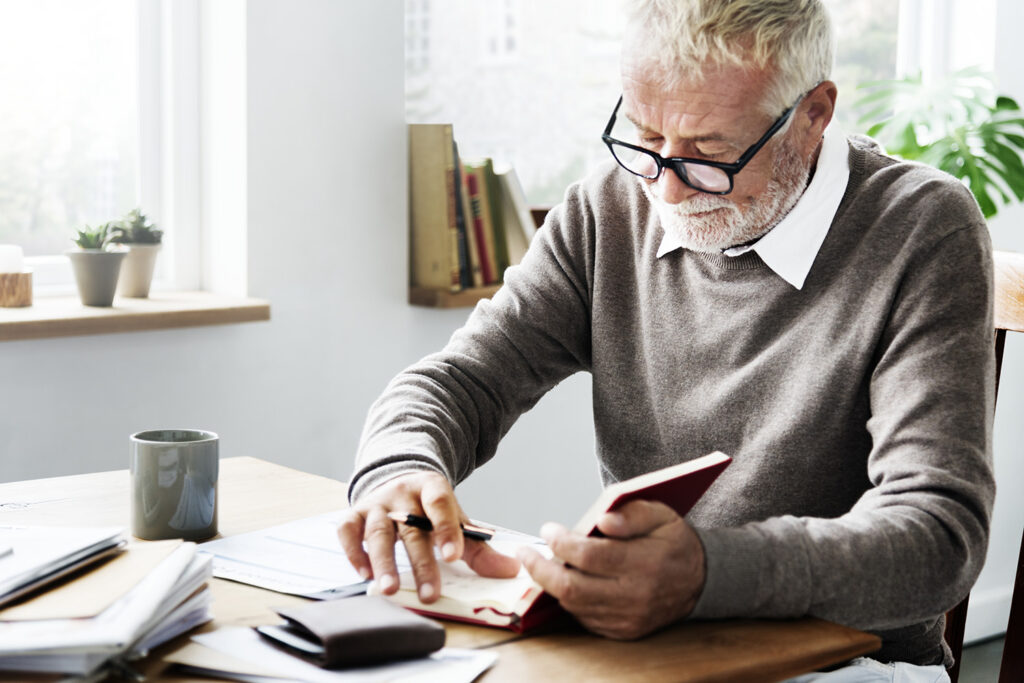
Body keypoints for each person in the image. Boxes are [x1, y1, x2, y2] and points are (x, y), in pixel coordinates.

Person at [339, 1, 996, 679]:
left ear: (814, 114)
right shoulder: (610, 208)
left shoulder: (923, 228)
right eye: (644, 137)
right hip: (649, 655)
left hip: (851, 663)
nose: (669, 193)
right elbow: (460, 382)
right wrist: (399, 468)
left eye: (709, 155)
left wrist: (710, 573)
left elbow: (939, 536)